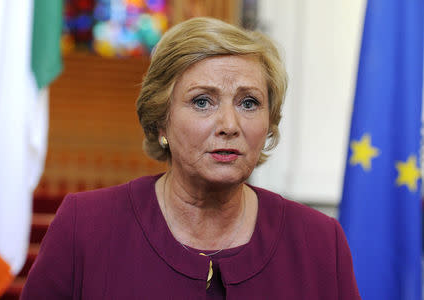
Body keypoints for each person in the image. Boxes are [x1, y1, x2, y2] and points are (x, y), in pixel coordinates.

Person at [21, 17, 361, 299]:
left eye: (249, 103)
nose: (229, 125)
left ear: (269, 123)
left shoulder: (319, 242)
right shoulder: (85, 226)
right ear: (159, 121)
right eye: (202, 101)